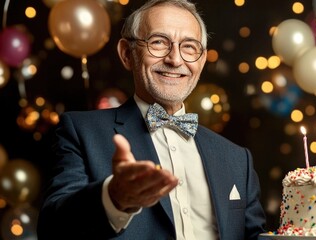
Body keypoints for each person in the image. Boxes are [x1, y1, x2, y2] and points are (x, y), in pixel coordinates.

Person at [37, 0, 267, 239]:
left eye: (189, 47)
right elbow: (52, 229)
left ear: (201, 60)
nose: (175, 59)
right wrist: (114, 198)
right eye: (159, 42)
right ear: (127, 54)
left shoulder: (237, 159)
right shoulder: (81, 131)